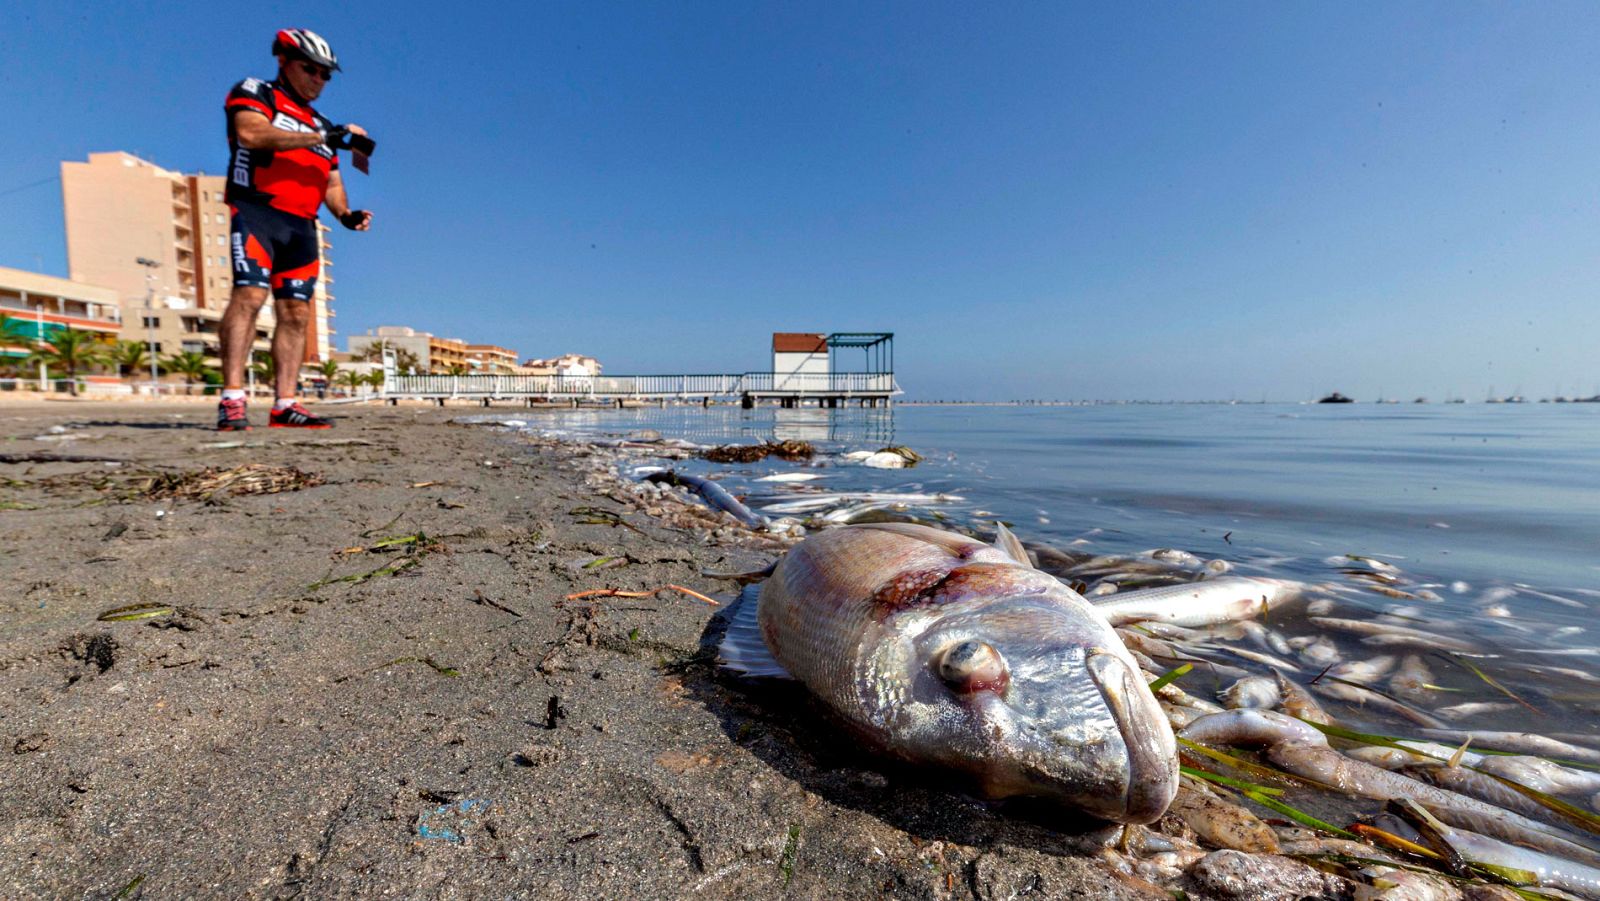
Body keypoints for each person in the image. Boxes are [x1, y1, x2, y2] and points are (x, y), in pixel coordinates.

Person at [216, 28, 373, 430]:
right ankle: (233, 397)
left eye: (326, 75)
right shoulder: (257, 92)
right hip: (258, 212)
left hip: (303, 226)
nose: (319, 80)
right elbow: (251, 133)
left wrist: (346, 215)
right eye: (312, 70)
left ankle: (285, 403)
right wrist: (323, 135)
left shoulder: (322, 124)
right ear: (284, 61)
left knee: (297, 313)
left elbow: (333, 184)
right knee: (249, 296)